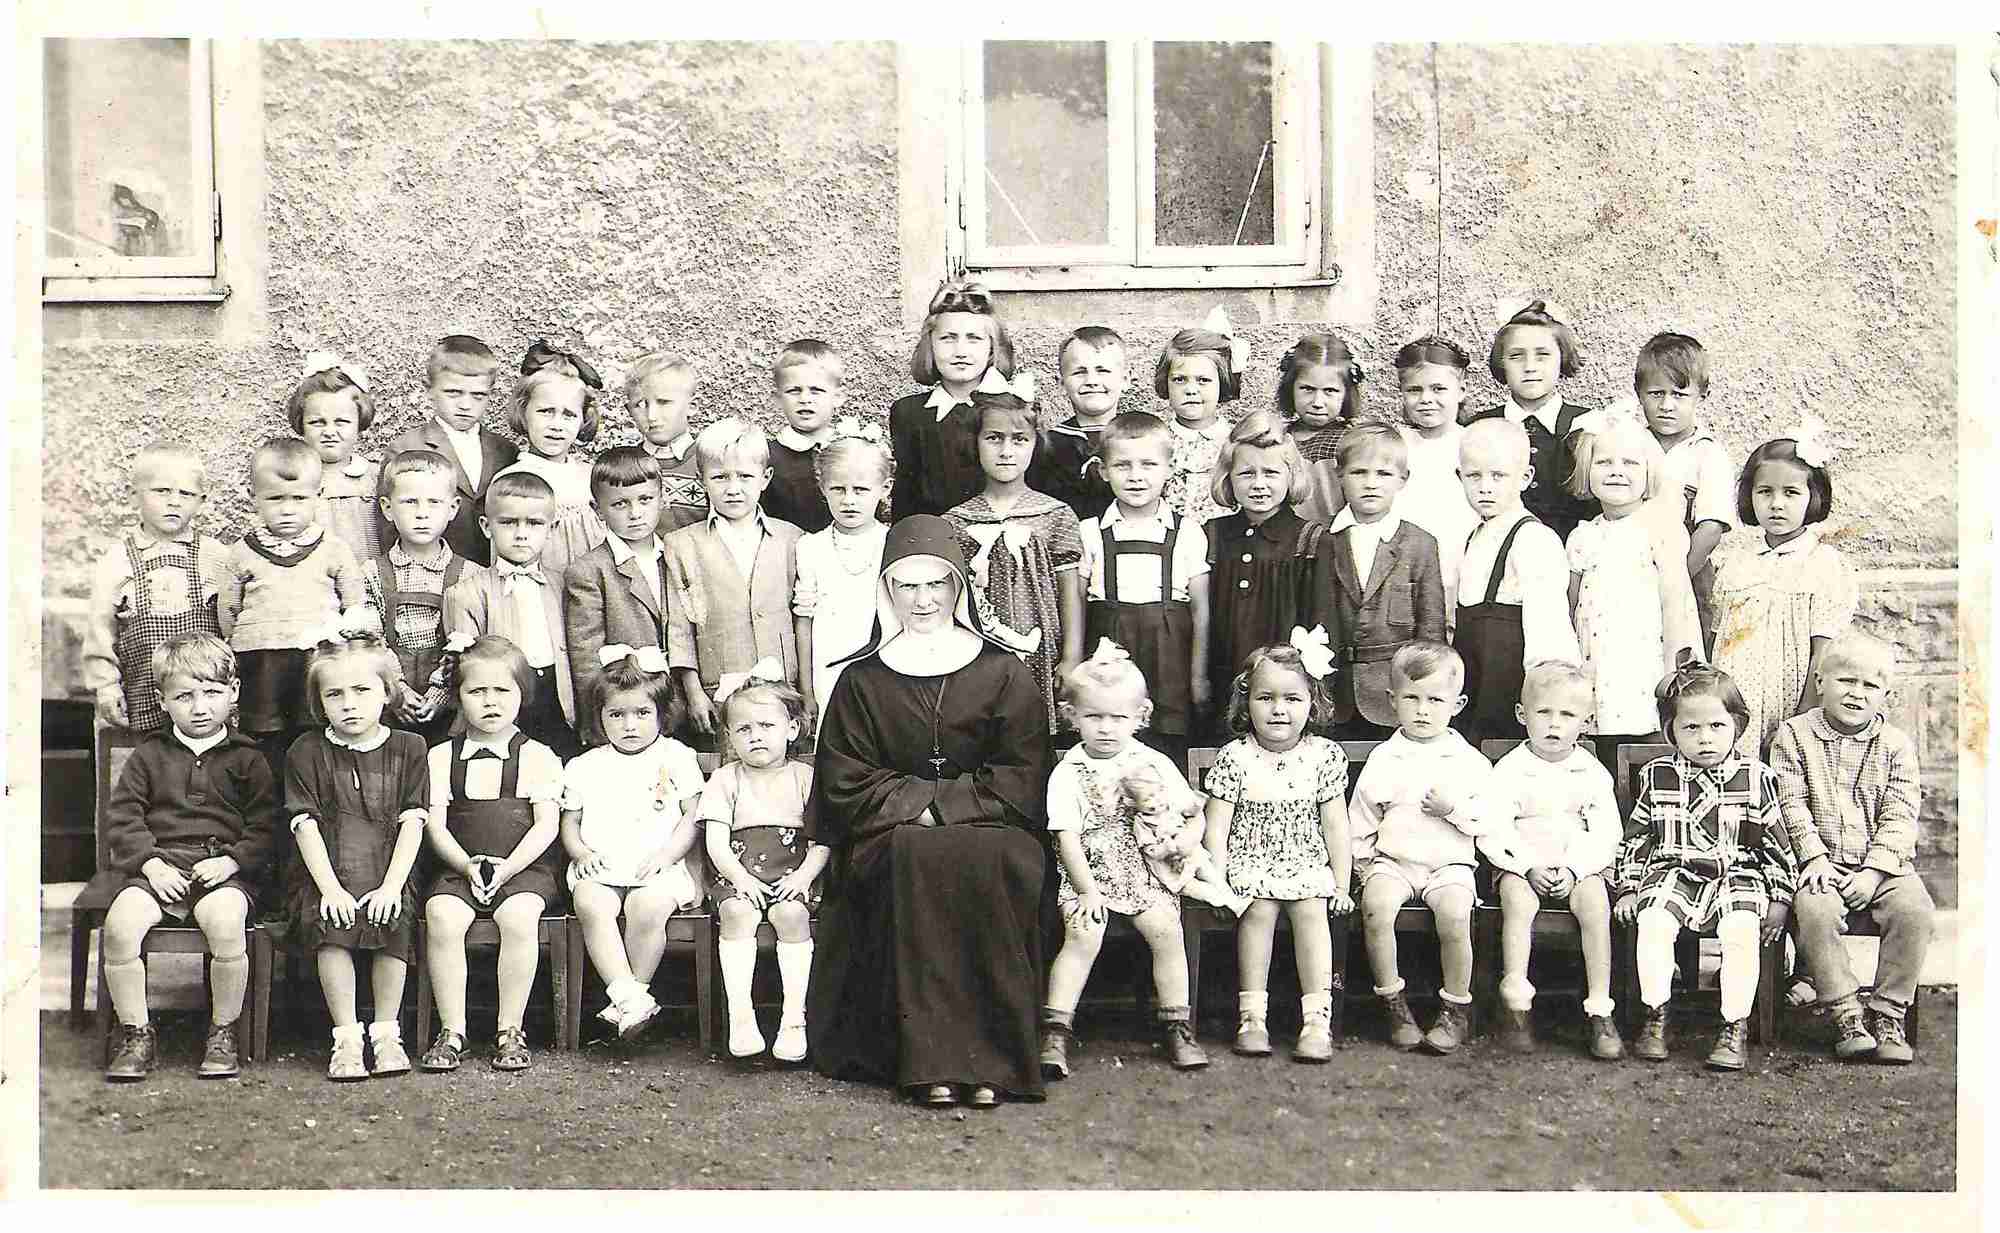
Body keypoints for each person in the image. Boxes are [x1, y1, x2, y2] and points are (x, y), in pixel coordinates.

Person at [805, 515, 1050, 1108]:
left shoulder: (1004, 671)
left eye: (936, 583)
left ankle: (991, 1063)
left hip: (993, 828)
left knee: (985, 856)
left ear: (958, 586)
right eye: (907, 585)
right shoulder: (860, 680)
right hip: (890, 835)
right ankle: (926, 1064)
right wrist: (922, 809)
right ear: (886, 589)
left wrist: (943, 809)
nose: (923, 599)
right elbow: (845, 777)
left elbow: (1022, 771)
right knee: (914, 854)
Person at [95, 635, 276, 1081]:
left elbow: (266, 826)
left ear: (233, 692)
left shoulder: (249, 758)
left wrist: (233, 861)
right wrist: (151, 865)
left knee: (226, 922)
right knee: (120, 926)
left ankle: (223, 1030)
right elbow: (124, 818)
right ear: (163, 701)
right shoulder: (149, 755)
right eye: (184, 696)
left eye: (212, 693)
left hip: (221, 869)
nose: (200, 707)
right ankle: (136, 1032)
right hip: (158, 867)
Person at [1040, 643, 1223, 1082]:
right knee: (1083, 934)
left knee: (1165, 929)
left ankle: (1177, 1024)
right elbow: (1066, 837)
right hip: (1090, 872)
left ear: (1141, 716)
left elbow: (1192, 813)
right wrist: (1086, 890)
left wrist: (1185, 840)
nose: (1106, 728)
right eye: (1094, 717)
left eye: (1118, 718)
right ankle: (1055, 1032)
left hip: (1145, 870)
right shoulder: (1068, 771)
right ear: (1072, 716)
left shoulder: (1152, 762)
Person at [1613, 660, 1796, 1071]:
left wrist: (1781, 897)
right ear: (1671, 732)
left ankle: (1734, 1024)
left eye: (1716, 726)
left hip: (1737, 874)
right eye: (1691, 728)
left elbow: (1776, 844)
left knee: (1741, 928)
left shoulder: (1755, 777)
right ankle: (1656, 1013)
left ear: (1737, 726)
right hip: (1674, 871)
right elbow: (1638, 839)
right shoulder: (1658, 775)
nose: (1705, 738)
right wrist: (1628, 887)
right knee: (1653, 921)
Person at [1772, 631, 1931, 1064]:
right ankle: (1845, 1012)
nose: (1856, 693)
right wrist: (1815, 857)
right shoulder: (1793, 736)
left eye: (1869, 685)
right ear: (1820, 682)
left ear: (1885, 695)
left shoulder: (1896, 745)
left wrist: (1875, 872)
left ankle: (1888, 1012)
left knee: (1915, 910)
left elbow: (1900, 815)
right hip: (1819, 864)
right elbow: (1789, 804)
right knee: (1815, 910)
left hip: (1884, 866)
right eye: (1845, 680)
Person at [1201, 632, 1353, 1063]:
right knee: (1258, 910)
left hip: (1306, 860)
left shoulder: (1324, 756)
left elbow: (1336, 826)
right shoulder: (1236, 756)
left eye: (1292, 699)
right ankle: (1252, 1017)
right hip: (1250, 861)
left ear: (1313, 704)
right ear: (1246, 703)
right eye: (1266, 698)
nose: (1279, 709)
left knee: (1311, 910)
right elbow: (1217, 827)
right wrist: (1218, 883)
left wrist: (1341, 885)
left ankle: (1316, 1020)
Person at [284, 631, 430, 1081]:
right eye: (335, 694)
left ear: (386, 692)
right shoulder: (306, 751)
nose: (349, 704)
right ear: (319, 702)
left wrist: (391, 886)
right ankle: (346, 1036)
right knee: (329, 922)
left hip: (389, 868)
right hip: (326, 871)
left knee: (394, 916)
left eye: (362, 690)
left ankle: (386, 1033)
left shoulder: (410, 748)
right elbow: (305, 825)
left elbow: (413, 823)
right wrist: (330, 889)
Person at [418, 636, 564, 1073]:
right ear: (458, 696)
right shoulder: (440, 757)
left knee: (519, 916)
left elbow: (546, 826)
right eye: (477, 691)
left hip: (523, 868)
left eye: (502, 690)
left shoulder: (537, 756)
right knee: (443, 915)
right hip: (461, 866)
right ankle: (453, 1030)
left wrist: (507, 870)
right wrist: (466, 865)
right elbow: (435, 825)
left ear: (522, 694)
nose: (490, 701)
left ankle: (509, 1028)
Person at [1348, 642, 1494, 1055]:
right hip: (1394, 861)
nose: (1423, 710)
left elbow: (1488, 820)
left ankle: (1455, 1007)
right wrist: (1364, 867)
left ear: (1457, 704)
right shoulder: (1385, 758)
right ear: (1393, 701)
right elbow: (1361, 819)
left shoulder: (1468, 761)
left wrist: (1454, 810)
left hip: (1449, 864)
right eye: (1411, 698)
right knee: (1376, 907)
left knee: (1455, 914)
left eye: (1435, 700)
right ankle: (1393, 1002)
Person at [1476, 660, 1624, 1059]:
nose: (1554, 724)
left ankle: (1599, 1008)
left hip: (1577, 865)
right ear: (1522, 714)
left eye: (1567, 715)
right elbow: (1494, 828)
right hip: (1523, 864)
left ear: (1586, 722)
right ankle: (1516, 1001)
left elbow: (1606, 833)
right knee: (1517, 901)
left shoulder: (1592, 772)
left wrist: (1576, 869)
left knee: (1595, 903)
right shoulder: (1510, 770)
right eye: (1544, 712)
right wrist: (1527, 865)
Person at [559, 646, 706, 1039]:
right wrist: (581, 853)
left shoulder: (677, 756)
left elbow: (692, 816)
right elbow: (570, 822)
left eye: (642, 713)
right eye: (616, 715)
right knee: (591, 902)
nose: (629, 725)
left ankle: (629, 999)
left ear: (661, 713)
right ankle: (631, 1000)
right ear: (600, 717)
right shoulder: (585, 766)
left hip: (658, 863)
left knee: (648, 906)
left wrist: (667, 855)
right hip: (603, 863)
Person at [219, 437, 371, 772]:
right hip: (260, 660)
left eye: (299, 498)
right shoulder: (242, 552)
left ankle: (312, 791)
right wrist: (243, 640)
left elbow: (354, 602)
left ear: (319, 495)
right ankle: (266, 794)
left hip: (314, 657)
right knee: (263, 734)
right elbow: (229, 608)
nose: (287, 509)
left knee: (314, 728)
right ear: (254, 498)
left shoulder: (333, 548)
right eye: (275, 498)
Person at [1710, 421, 1858, 758]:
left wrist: (1803, 719)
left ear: (1813, 497)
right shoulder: (1737, 563)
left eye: (1791, 493)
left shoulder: (1823, 564)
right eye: (1765, 492)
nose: (1776, 503)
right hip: (1735, 705)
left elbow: (1824, 653)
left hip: (1791, 703)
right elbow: (1718, 642)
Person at [943, 388, 1086, 736]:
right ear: (975, 442)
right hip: (978, 650)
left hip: (1041, 647)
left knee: (1036, 732)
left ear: (1035, 444)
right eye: (994, 438)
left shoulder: (1055, 514)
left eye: (1019, 439)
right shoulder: (956, 520)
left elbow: (1070, 591)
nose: (1006, 450)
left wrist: (1071, 656)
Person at [698, 672, 826, 1061]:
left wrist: (803, 877)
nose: (756, 736)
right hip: (738, 872)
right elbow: (715, 841)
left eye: (766, 726)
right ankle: (742, 1016)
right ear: (729, 738)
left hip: (794, 872)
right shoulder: (725, 779)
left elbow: (823, 840)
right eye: (744, 729)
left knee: (791, 915)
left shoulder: (806, 777)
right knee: (736, 913)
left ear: (792, 729)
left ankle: (793, 1020)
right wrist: (740, 879)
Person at [1078, 411, 1211, 771]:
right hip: (1109, 646)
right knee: (1108, 734)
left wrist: (1198, 675)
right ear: (1104, 471)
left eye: (1149, 464)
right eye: (1122, 465)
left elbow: (1201, 612)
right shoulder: (1091, 532)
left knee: (1167, 742)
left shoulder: (1187, 532)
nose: (1136, 476)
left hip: (1169, 655)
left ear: (1169, 468)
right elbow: (1077, 603)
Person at [1564, 419, 1700, 763]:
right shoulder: (1583, 536)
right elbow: (1571, 604)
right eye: (1604, 462)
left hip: (1644, 661)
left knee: (1648, 741)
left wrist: (1675, 669)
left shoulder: (1659, 528)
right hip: (1596, 658)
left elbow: (1676, 603)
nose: (1616, 471)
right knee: (1601, 745)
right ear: (1587, 471)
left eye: (1630, 463)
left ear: (1649, 472)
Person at [664, 418, 804, 747]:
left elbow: (801, 618)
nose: (733, 488)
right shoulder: (682, 544)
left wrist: (805, 689)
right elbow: (679, 627)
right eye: (720, 477)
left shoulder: (792, 539)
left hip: (782, 685)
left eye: (745, 476)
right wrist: (694, 693)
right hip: (719, 688)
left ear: (765, 478)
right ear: (701, 479)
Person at [1450, 418, 1580, 745]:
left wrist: (1546, 700)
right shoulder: (1471, 539)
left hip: (1511, 694)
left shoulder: (1534, 540)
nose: (1485, 487)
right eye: (1474, 476)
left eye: (1498, 476)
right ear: (1459, 476)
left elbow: (1549, 628)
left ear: (1525, 477)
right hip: (1473, 689)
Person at [1313, 422, 1448, 739]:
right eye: (1359, 472)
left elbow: (1431, 630)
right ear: (1339, 475)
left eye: (1384, 474)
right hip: (1336, 695)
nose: (1371, 483)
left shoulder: (1420, 544)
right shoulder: (1322, 539)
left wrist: (1421, 693)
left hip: (1396, 696)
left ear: (1403, 479)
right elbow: (1313, 618)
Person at [84, 440, 228, 733]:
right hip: (145, 698)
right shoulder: (116, 561)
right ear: (133, 496)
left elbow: (233, 625)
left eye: (186, 493)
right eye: (162, 491)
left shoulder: (217, 557)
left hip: (207, 705)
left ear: (201, 500)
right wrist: (106, 686)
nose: (174, 501)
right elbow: (100, 632)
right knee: (155, 758)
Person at [1202, 411, 1326, 739]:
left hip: (1284, 693)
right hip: (1223, 678)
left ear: (1291, 475)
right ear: (1228, 478)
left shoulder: (1310, 540)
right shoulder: (1212, 535)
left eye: (1271, 473)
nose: (1259, 484)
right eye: (1246, 473)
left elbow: (1319, 624)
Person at [443, 471, 578, 758]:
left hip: (557, 697)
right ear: (486, 526)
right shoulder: (466, 593)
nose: (521, 534)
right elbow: (465, 669)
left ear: (552, 528)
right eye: (508, 522)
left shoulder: (565, 585)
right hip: (501, 703)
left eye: (534, 523)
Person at [1461, 299, 1598, 541]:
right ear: (1501, 362)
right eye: (1516, 356)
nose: (1530, 367)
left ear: (1562, 358)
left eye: (1542, 355)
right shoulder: (1479, 427)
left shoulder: (1588, 424)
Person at [1633, 332, 1733, 652]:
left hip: (1687, 572)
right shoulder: (1630, 443)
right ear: (1639, 393)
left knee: (1683, 654)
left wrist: (1672, 582)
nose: (1666, 405)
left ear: (1702, 395)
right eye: (1656, 393)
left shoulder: (1707, 453)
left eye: (1679, 394)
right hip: (1629, 567)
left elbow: (1711, 528)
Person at [563, 447, 670, 744]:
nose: (635, 513)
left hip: (677, 709)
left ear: (662, 498)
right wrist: (597, 728)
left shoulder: (676, 554)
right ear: (598, 510)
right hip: (627, 718)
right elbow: (587, 659)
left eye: (645, 500)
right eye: (620, 504)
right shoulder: (588, 571)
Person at [888, 279, 1019, 520]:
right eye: (948, 338)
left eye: (974, 338)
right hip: (931, 535)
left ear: (992, 348)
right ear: (930, 345)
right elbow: (906, 499)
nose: (960, 351)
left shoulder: (1013, 409)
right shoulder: (909, 413)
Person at [382, 334, 516, 567]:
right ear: (429, 390)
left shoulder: (505, 451)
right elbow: (388, 529)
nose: (465, 405)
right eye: (453, 393)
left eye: (478, 395)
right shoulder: (405, 449)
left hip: (494, 574)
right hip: (430, 573)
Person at [793, 426, 893, 731]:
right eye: (838, 489)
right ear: (823, 488)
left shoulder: (894, 542)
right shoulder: (810, 547)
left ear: (885, 488)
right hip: (828, 666)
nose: (849, 500)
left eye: (860, 490)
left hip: (883, 667)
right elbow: (804, 621)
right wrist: (807, 689)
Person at [369, 450, 470, 746]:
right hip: (389, 705)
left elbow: (466, 644)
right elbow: (371, 641)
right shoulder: (371, 573)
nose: (422, 513)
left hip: (450, 706)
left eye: (434, 502)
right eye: (410, 502)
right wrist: (397, 691)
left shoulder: (469, 574)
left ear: (453, 508)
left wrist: (440, 693)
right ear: (387, 508)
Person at [489, 341, 607, 583]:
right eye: (545, 411)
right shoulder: (513, 480)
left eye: (569, 415)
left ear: (583, 420)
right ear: (524, 412)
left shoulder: (589, 476)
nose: (556, 425)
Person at [1392, 336, 1478, 628]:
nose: (1426, 399)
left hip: (1460, 564)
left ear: (1461, 390)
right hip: (1406, 570)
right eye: (1414, 390)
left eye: (1438, 388)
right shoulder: (1396, 444)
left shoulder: (1473, 442)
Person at [291, 352, 385, 571]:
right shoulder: (294, 478)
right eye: (318, 422)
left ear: (359, 423)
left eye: (341, 422)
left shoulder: (375, 477)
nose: (330, 432)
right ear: (302, 424)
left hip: (367, 578)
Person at [1027, 325, 1126, 523]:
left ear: (1125, 379)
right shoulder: (1046, 446)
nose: (1092, 380)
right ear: (1062, 383)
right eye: (1079, 372)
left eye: (1103, 370)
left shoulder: (1140, 439)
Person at [1159, 308, 1247, 527]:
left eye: (1203, 380)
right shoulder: (1157, 439)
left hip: (1224, 537)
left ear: (1223, 383)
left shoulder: (1236, 441)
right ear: (1166, 383)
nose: (1191, 390)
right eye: (1180, 380)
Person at [1276, 333, 1363, 526]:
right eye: (1307, 389)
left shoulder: (1353, 442)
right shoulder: (1278, 439)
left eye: (1330, 391)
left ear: (1346, 394)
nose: (1317, 402)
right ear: (1290, 389)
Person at [761, 339, 846, 534]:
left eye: (816, 390)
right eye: (794, 391)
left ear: (838, 397)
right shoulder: (766, 456)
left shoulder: (849, 449)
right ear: (777, 399)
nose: (805, 399)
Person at [621, 351, 710, 533]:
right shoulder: (623, 467)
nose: (652, 416)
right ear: (629, 410)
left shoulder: (710, 462)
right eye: (641, 405)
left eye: (664, 402)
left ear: (692, 406)